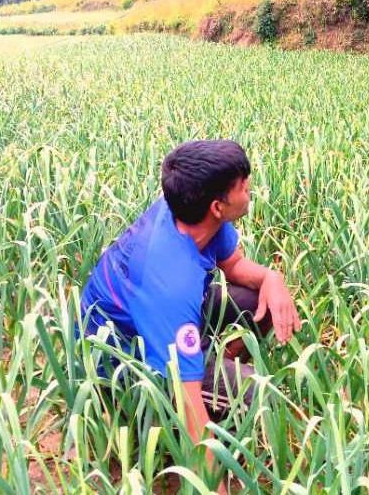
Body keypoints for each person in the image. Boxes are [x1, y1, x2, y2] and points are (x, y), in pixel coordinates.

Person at [78, 139, 302, 491]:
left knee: (261, 302)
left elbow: (235, 265)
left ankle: (207, 367)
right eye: (243, 186)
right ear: (218, 206)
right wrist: (213, 483)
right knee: (253, 391)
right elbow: (186, 397)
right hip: (128, 363)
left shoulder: (194, 215)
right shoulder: (171, 280)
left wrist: (273, 278)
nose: (249, 188)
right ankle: (204, 402)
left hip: (162, 318)